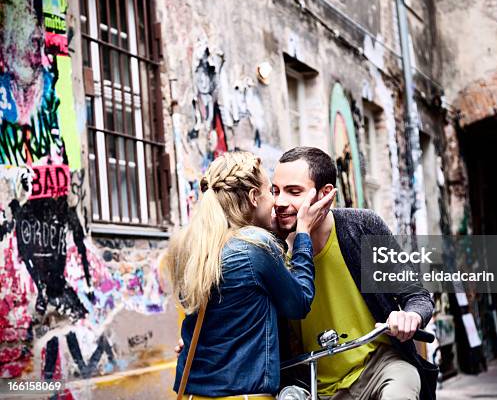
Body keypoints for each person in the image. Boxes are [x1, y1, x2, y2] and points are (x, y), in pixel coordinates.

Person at [163, 151, 336, 399]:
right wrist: (303, 235)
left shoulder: (189, 244)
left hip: (192, 393)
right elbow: (299, 303)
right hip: (243, 394)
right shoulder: (254, 246)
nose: (276, 202)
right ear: (254, 197)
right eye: (270, 192)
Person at [272, 147, 437, 400]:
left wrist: (411, 316)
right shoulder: (272, 249)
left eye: (293, 192)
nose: (280, 202)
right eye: (275, 191)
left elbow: (417, 294)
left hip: (380, 366)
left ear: (325, 194)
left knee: (402, 387)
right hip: (316, 384)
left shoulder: (361, 226)